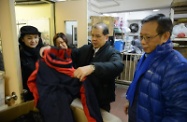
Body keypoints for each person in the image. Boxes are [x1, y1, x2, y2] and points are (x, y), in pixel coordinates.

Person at [124, 14, 187, 122]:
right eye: (141, 37)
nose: (143, 42)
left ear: (165, 36)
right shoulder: (147, 56)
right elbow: (138, 81)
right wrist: (131, 100)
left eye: (148, 37)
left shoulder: (177, 66)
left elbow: (179, 114)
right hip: (138, 113)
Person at [72, 22, 124, 112]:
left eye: (98, 36)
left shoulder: (112, 52)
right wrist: (52, 50)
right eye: (92, 36)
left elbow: (118, 65)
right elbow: (70, 53)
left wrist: (93, 67)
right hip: (83, 94)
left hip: (100, 99)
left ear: (106, 37)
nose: (94, 39)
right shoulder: (86, 49)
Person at [19, 25, 44, 101]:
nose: (33, 41)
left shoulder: (43, 51)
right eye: (29, 38)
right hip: (29, 94)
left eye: (36, 37)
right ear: (22, 39)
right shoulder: (19, 55)